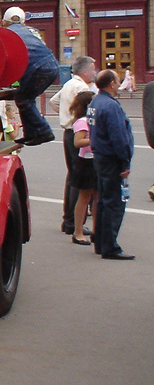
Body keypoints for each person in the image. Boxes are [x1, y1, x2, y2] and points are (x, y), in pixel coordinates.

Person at [88, 69, 134, 260]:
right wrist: (125, 162)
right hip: (111, 159)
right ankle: (109, 247)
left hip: (100, 157)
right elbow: (119, 137)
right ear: (112, 84)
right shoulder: (110, 106)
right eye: (117, 79)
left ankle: (100, 241)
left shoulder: (95, 102)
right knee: (114, 204)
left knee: (103, 202)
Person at [49, 55, 96, 235]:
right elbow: (90, 108)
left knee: (72, 177)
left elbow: (54, 102)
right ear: (84, 71)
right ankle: (74, 222)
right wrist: (78, 119)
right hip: (80, 133)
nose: (94, 72)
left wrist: (66, 116)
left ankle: (67, 219)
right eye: (92, 69)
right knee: (80, 179)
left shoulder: (68, 84)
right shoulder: (82, 87)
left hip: (69, 132)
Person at [2, 6, 59, 146]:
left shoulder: (6, 33)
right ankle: (30, 133)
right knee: (26, 98)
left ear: (5, 21)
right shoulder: (32, 31)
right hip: (52, 65)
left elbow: (3, 58)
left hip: (38, 68)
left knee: (23, 99)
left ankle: (44, 131)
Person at [68, 91, 97, 246]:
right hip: (86, 161)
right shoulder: (82, 121)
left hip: (97, 160)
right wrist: (95, 140)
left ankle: (96, 231)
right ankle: (78, 231)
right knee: (85, 197)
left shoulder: (95, 119)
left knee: (98, 198)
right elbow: (78, 142)